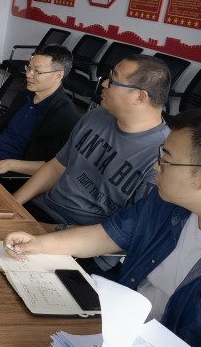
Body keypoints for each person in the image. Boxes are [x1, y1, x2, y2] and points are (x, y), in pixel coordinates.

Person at [3, 108, 201, 347]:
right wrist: (38, 244)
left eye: (166, 159)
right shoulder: (168, 202)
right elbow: (108, 235)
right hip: (117, 345)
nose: (156, 166)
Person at [13, 54, 170, 230]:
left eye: (113, 81)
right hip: (42, 210)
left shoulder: (163, 157)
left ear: (139, 97)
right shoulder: (97, 115)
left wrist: (46, 231)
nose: (104, 84)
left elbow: (124, 232)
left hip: (80, 237)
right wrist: (12, 205)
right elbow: (57, 166)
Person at [0, 45, 80, 178]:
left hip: (2, 174)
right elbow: (0, 127)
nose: (28, 75)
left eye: (37, 71)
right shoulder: (25, 96)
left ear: (58, 75)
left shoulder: (65, 116)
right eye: (29, 68)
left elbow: (53, 167)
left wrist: (9, 165)